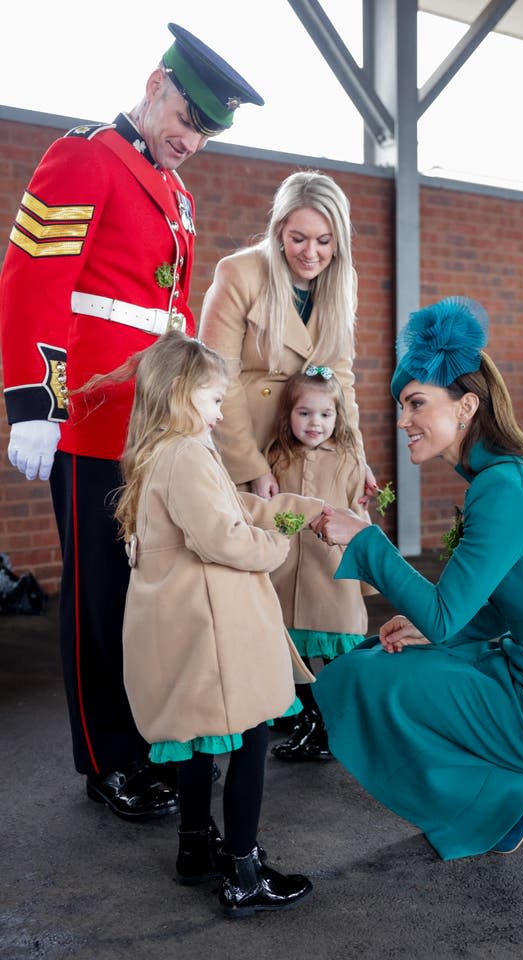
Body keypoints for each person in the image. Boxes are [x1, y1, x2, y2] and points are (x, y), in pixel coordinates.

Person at [0, 23, 264, 820]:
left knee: (151, 592)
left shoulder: (177, 193)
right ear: (155, 84)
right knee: (98, 596)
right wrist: (32, 404)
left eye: (207, 132)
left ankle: (150, 739)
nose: (193, 140)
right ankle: (106, 759)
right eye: (187, 119)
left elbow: (171, 315)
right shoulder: (83, 157)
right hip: (87, 419)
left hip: (152, 427)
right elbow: (31, 280)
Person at [311, 296, 523, 861]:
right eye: (400, 407)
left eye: (415, 404)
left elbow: (445, 613)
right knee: (384, 659)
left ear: (465, 407)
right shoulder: (507, 476)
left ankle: (516, 791)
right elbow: (494, 607)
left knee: (365, 680)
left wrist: (366, 539)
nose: (403, 420)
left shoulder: (504, 487)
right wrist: (430, 631)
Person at [110, 330, 320, 916]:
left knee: (201, 742)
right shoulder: (185, 453)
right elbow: (222, 536)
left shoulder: (158, 454)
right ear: (179, 393)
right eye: (213, 398)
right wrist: (277, 543)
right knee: (251, 735)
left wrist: (290, 514)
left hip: (185, 624)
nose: (222, 410)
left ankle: (196, 850)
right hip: (213, 631)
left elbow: (222, 509)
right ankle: (244, 870)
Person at [199, 169, 377, 501]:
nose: (311, 253)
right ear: (279, 229)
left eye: (324, 241)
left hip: (311, 444)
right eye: (299, 238)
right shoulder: (238, 273)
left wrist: (356, 457)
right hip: (245, 437)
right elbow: (218, 377)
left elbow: (340, 377)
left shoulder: (344, 281)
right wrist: (251, 467)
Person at [264, 368, 375, 762]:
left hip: (333, 574)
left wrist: (366, 574)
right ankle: (312, 721)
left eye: (325, 415)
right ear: (288, 415)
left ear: (338, 417)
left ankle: (342, 725)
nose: (315, 423)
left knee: (336, 655)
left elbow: (361, 518)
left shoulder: (349, 460)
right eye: (305, 413)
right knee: (289, 654)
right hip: (284, 572)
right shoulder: (275, 456)